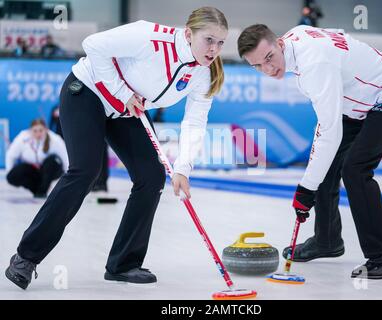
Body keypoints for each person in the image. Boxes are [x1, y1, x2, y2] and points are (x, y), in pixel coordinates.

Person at [5, 6, 228, 290]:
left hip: (127, 110)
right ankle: (25, 257)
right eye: (209, 40)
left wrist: (183, 167)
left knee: (151, 176)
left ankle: (124, 263)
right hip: (88, 92)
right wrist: (122, 94)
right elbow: (93, 45)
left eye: (221, 43)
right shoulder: (150, 37)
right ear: (188, 34)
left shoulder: (203, 74)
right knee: (85, 170)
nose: (214, 49)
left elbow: (195, 121)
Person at [237, 24, 382, 279]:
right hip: (354, 102)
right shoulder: (297, 39)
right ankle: (327, 240)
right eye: (257, 65)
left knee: (355, 170)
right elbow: (338, 33)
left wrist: (306, 189)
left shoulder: (314, 64)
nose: (268, 69)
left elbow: (330, 131)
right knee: (326, 164)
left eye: (269, 58)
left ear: (280, 44)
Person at [50, 105, 109, 191]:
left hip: (97, 133)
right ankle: (90, 184)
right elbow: (52, 124)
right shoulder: (57, 108)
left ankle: (101, 183)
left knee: (100, 157)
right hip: (72, 136)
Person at [6, 119, 68, 198]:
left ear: (45, 129)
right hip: (33, 171)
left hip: (51, 171)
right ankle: (37, 190)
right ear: (30, 131)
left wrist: (68, 178)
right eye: (35, 131)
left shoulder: (55, 139)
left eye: (40, 130)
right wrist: (10, 171)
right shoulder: (22, 138)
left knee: (52, 161)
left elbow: (65, 157)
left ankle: (43, 189)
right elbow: (11, 155)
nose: (38, 133)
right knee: (12, 175)